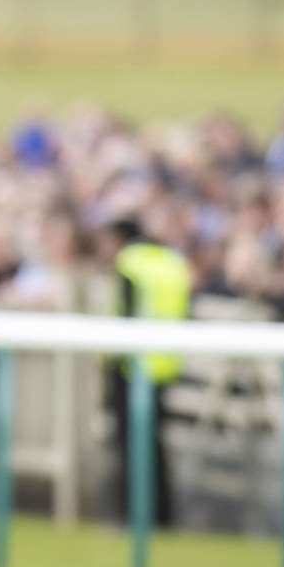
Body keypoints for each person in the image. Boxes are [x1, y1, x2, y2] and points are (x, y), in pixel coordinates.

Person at [100, 217, 191, 528]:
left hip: (131, 366)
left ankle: (134, 515)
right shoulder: (172, 262)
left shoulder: (129, 262)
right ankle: (162, 516)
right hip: (166, 366)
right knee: (155, 446)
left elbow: (122, 312)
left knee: (132, 447)